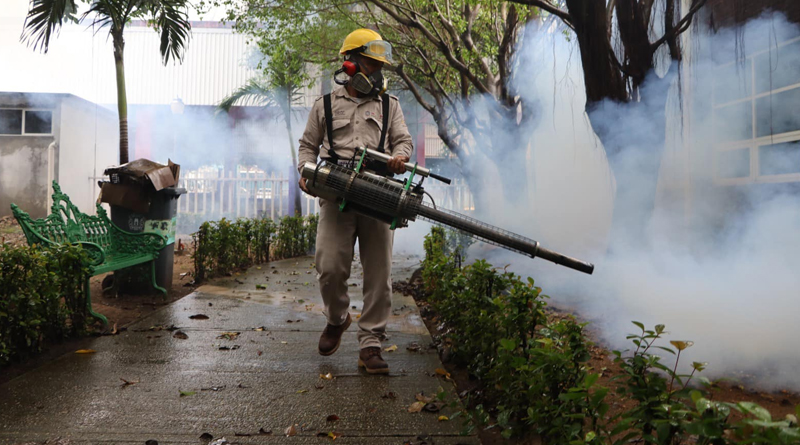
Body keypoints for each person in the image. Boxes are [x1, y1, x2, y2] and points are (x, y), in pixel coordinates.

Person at [297, 28, 413, 374]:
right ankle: (337, 319)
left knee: (379, 274)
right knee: (329, 268)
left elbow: (403, 142)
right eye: (369, 64)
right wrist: (304, 172)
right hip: (336, 195)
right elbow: (307, 146)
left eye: (379, 67)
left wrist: (399, 157)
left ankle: (371, 344)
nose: (375, 73)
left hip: (378, 194)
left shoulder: (391, 106)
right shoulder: (325, 106)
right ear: (349, 64)